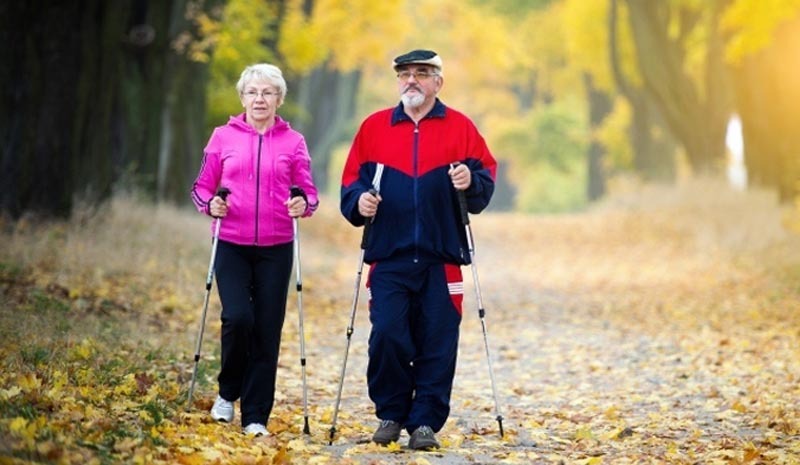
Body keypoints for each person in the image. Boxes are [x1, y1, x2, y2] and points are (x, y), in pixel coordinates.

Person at [340, 49, 497, 450]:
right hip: (388, 256)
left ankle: (425, 422)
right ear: (398, 81)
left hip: (441, 257)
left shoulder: (460, 127)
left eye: (422, 74)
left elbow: (484, 181)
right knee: (388, 336)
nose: (412, 80)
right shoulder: (374, 127)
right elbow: (350, 184)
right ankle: (391, 414)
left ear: (437, 82)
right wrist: (359, 202)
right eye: (405, 74)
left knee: (438, 341)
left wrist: (469, 180)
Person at [191, 63, 319, 437]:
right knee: (238, 318)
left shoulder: (293, 142)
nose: (259, 99)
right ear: (242, 97)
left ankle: (256, 416)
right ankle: (227, 393)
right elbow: (201, 187)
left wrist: (303, 205)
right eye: (252, 92)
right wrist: (210, 204)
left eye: (267, 93)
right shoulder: (222, 137)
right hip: (230, 241)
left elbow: (308, 192)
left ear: (279, 99)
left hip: (277, 247)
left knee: (266, 329)